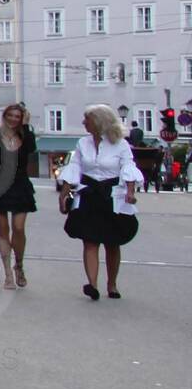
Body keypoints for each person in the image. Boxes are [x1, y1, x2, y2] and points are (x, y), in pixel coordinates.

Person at [56, 104, 139, 299]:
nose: (84, 122)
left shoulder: (120, 144)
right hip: (89, 194)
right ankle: (92, 284)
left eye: (87, 119)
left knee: (112, 242)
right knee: (90, 240)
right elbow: (75, 167)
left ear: (99, 122)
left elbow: (128, 166)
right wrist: (64, 193)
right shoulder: (82, 143)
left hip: (112, 196)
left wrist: (130, 191)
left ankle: (112, 284)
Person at [0, 103, 38, 289]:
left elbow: (31, 149)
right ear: (5, 116)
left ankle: (19, 265)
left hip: (20, 185)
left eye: (17, 116)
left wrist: (25, 126)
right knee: (2, 229)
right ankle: (8, 274)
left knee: (18, 228)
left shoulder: (25, 136)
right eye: (10, 115)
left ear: (22, 119)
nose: (13, 119)